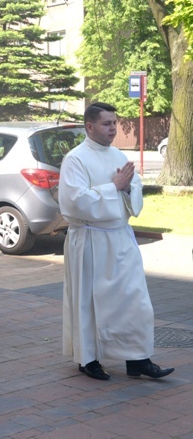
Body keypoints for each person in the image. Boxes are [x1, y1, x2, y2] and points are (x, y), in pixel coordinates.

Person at [59, 102, 174, 381]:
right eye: (106, 123)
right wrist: (114, 187)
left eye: (114, 122)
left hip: (119, 238)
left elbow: (133, 191)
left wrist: (124, 188)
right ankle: (88, 358)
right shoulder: (75, 159)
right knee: (89, 301)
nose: (113, 128)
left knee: (134, 299)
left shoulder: (118, 154)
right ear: (90, 126)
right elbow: (74, 202)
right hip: (90, 239)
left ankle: (137, 359)